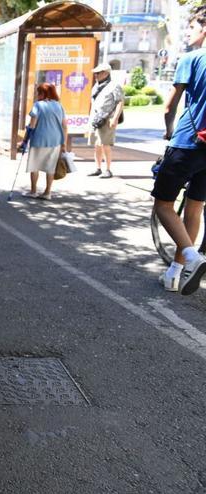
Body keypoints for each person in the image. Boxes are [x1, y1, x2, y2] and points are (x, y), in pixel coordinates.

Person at [152, 6, 206, 295]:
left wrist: (168, 129)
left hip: (188, 141)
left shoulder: (192, 58)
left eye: (192, 27)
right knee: (194, 206)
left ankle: (192, 256)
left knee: (163, 204)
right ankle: (175, 273)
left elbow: (169, 105)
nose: (188, 32)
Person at [18, 83, 67, 201]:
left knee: (34, 166)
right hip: (55, 141)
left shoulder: (38, 105)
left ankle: (33, 191)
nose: (37, 95)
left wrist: (24, 141)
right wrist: (63, 143)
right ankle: (47, 192)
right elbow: (64, 126)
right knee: (50, 167)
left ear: (43, 93)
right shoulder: (59, 106)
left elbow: (32, 125)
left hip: (38, 140)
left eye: (38, 92)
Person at [88, 63, 124, 178]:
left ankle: (108, 169)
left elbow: (120, 102)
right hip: (95, 118)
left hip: (107, 118)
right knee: (96, 144)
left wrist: (115, 118)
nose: (96, 75)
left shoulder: (114, 85)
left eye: (98, 73)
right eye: (95, 73)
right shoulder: (96, 86)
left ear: (106, 73)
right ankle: (97, 168)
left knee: (105, 144)